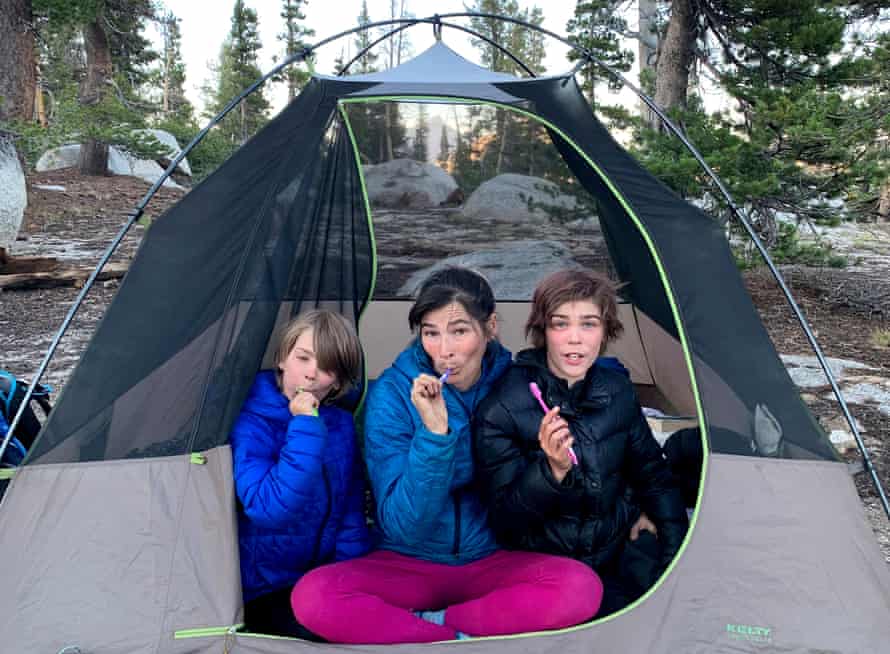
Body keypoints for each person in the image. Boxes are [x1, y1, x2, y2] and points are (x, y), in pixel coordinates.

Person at [292, 267, 603, 644]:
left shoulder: (519, 382)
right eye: (430, 333)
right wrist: (435, 435)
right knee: (313, 596)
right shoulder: (393, 393)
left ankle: (426, 628)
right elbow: (405, 525)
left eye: (459, 331)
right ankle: (466, 633)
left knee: (580, 587)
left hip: (492, 559)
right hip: (406, 562)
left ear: (489, 327)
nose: (444, 351)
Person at [473, 269, 689, 615]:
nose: (576, 339)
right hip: (547, 571)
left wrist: (672, 555)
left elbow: (652, 472)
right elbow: (504, 521)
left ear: (605, 332)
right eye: (561, 324)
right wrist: (551, 472)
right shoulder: (502, 408)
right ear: (543, 330)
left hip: (616, 549)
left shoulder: (616, 390)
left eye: (589, 324)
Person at [229, 309, 371, 638]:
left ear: (337, 380)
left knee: (361, 622)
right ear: (282, 359)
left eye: (326, 367)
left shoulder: (339, 424)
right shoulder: (252, 420)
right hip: (262, 587)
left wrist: (347, 574)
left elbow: (349, 510)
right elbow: (268, 509)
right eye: (303, 358)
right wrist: (305, 424)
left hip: (318, 578)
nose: (310, 375)